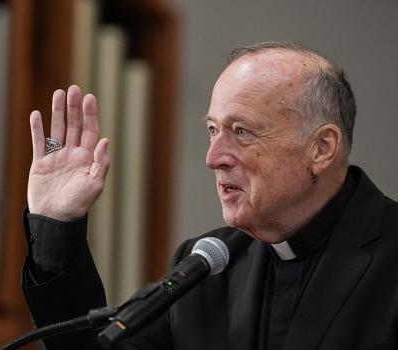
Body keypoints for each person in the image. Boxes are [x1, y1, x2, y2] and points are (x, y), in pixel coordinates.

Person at [21, 42, 398, 349]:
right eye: (213, 130)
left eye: (242, 131)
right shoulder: (205, 266)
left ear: (321, 148)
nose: (213, 158)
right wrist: (57, 229)